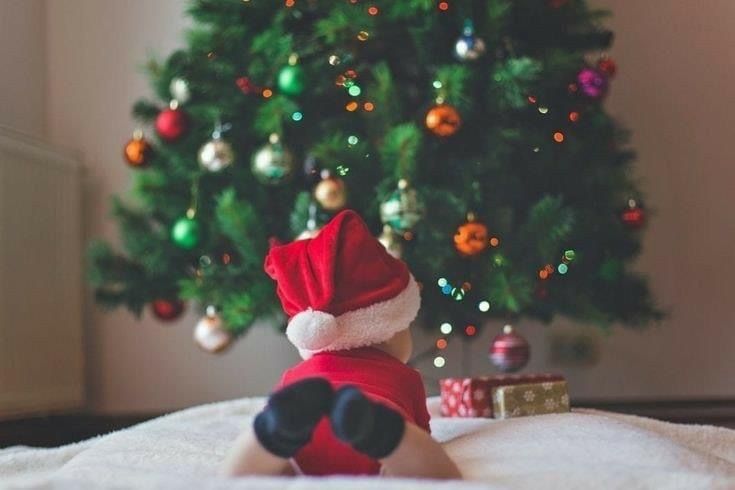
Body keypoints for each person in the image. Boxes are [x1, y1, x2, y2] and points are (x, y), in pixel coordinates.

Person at [222, 210, 461, 479]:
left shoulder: (295, 378)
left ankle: (271, 434)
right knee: (435, 470)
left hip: (305, 437)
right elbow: (426, 436)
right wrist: (405, 436)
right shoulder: (406, 378)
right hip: (374, 426)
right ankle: (385, 434)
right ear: (389, 329)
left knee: (252, 473)